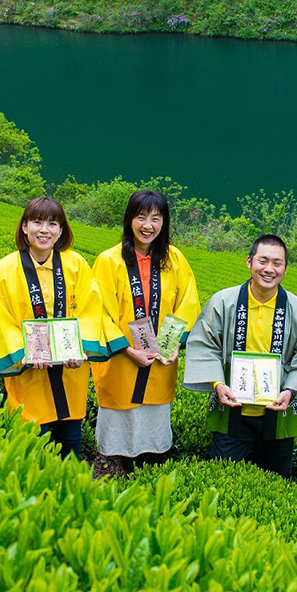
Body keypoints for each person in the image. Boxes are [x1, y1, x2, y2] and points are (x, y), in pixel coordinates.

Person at [183, 233, 297, 478]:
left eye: (277, 263)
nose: (269, 269)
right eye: (263, 261)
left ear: (285, 268)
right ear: (249, 262)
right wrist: (218, 384)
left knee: (275, 484)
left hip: (278, 412)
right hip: (231, 409)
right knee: (221, 479)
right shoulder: (224, 301)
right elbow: (204, 344)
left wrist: (290, 391)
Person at [0, 197, 120, 459]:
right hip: (29, 374)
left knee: (69, 446)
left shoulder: (76, 265)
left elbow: (90, 309)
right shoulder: (5, 268)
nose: (44, 230)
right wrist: (24, 353)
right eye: (36, 222)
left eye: (52, 223)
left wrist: (79, 348)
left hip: (70, 372)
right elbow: (3, 318)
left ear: (61, 230)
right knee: (31, 450)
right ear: (24, 227)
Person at [91, 190, 201, 470]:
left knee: (153, 417)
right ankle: (111, 465)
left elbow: (187, 303)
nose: (148, 225)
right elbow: (99, 311)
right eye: (141, 217)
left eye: (155, 218)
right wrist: (127, 350)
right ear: (129, 220)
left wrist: (174, 344)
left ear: (164, 222)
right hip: (121, 360)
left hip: (159, 360)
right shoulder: (108, 260)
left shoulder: (175, 259)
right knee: (118, 421)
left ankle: (150, 465)